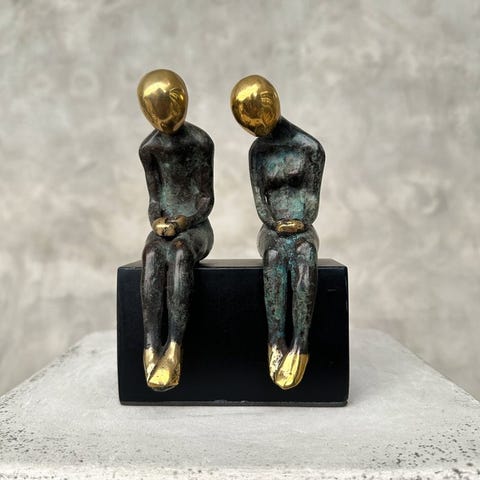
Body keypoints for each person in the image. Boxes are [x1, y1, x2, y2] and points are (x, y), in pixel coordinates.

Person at [231, 75, 325, 389]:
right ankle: (275, 340)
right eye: (248, 124)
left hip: (303, 227)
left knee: (304, 254)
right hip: (271, 227)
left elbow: (312, 200)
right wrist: (275, 223)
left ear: (272, 105)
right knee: (273, 256)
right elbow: (260, 202)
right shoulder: (257, 152)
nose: (256, 127)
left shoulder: (310, 148)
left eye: (258, 117)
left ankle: (301, 343)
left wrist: (299, 222)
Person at [137, 69, 214, 391]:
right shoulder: (149, 149)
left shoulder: (199, 142)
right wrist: (156, 221)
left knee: (181, 253)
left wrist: (184, 222)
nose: (165, 118)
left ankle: (175, 346)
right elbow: (155, 200)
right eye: (156, 113)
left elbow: (206, 198)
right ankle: (150, 344)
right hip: (165, 227)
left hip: (196, 227)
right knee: (152, 255)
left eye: (169, 109)